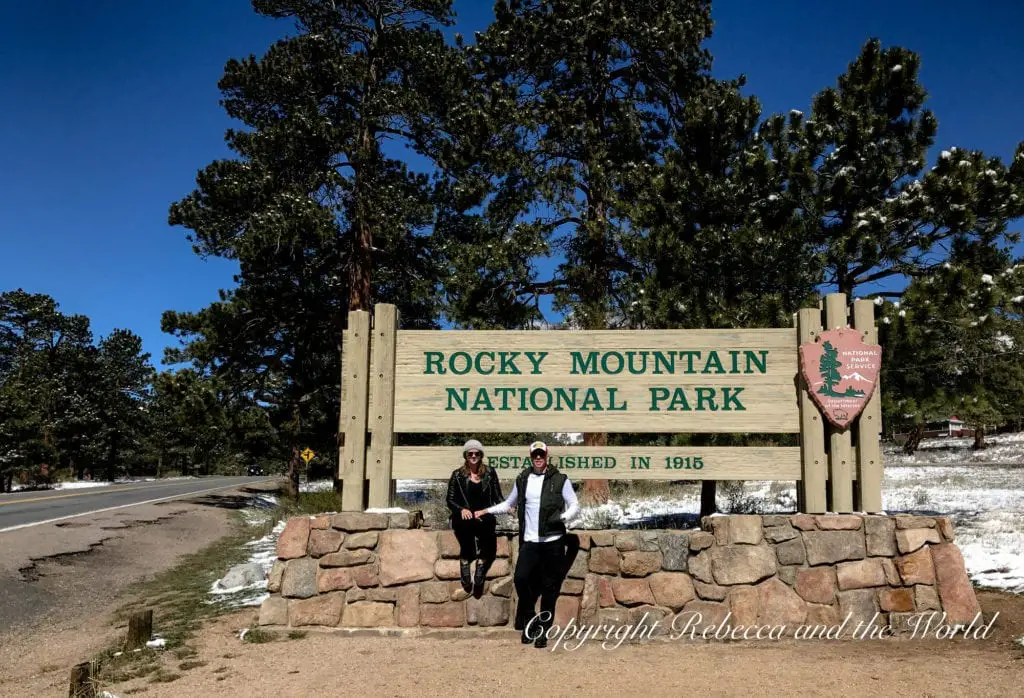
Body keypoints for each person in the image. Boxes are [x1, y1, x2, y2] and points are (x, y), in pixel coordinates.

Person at [476, 440, 579, 648]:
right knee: (521, 579)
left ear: (547, 456)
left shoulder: (560, 480)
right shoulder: (523, 479)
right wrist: (486, 510)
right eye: (535, 455)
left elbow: (574, 503)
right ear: (530, 457)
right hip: (530, 542)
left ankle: (542, 630)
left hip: (553, 542)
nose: (538, 458)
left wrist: (564, 518)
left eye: (541, 454)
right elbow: (509, 503)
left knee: (550, 588)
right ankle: (531, 617)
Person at [446, 439, 504, 597]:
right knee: (464, 528)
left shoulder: (490, 473)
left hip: (484, 514)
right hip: (464, 515)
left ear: (481, 455)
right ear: (465, 455)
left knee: (488, 527)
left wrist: (508, 506)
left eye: (476, 453)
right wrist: (461, 509)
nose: (473, 456)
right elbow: (450, 500)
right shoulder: (457, 475)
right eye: (470, 453)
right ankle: (465, 562)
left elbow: (498, 496)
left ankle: (481, 565)